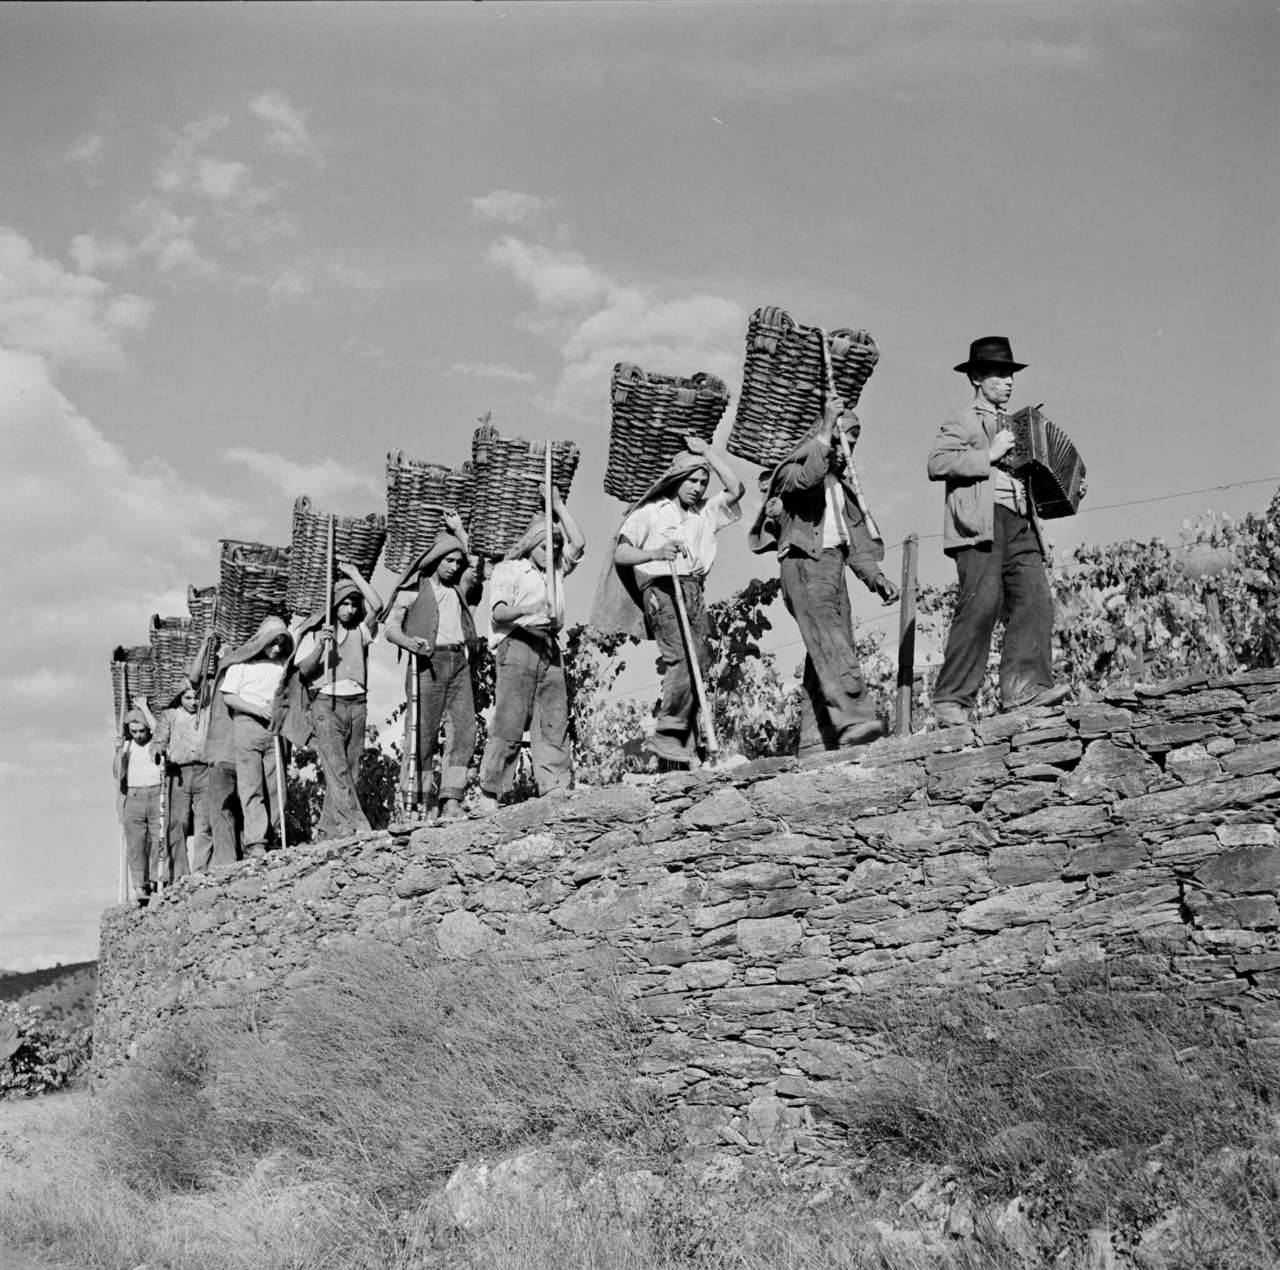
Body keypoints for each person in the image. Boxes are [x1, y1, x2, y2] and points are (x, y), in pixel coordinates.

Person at [926, 336, 1069, 725]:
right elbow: (937, 463)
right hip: (981, 522)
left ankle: (1026, 689)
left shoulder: (1020, 425)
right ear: (975, 377)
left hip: (1021, 521)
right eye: (998, 374)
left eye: (1010, 375)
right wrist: (988, 454)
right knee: (982, 604)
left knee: (1035, 598)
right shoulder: (963, 419)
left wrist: (1065, 488)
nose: (1008, 381)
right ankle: (951, 701)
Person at [749, 396, 899, 754]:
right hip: (803, 564)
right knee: (830, 639)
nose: (846, 451)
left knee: (829, 646)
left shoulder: (844, 491)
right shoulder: (790, 471)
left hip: (833, 569)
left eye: (853, 445)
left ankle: (816, 740)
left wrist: (876, 578)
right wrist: (828, 428)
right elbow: (807, 479)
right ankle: (856, 718)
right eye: (842, 441)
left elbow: (855, 543)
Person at [595, 438, 744, 766]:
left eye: (704, 482)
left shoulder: (704, 512)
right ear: (677, 479)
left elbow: (735, 488)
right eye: (693, 480)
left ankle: (684, 750)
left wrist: (707, 453)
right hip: (661, 588)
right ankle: (667, 733)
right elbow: (622, 552)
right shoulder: (650, 512)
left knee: (699, 662)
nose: (699, 487)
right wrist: (655, 553)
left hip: (692, 589)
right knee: (679, 657)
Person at [476, 490, 585, 813]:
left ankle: (554, 786)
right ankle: (490, 792)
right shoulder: (509, 570)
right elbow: (499, 613)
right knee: (510, 718)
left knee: (552, 717)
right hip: (518, 643)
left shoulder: (555, 571)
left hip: (549, 646)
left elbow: (578, 543)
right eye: (542, 546)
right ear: (529, 546)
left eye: (553, 546)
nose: (549, 552)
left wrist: (559, 506)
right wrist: (532, 606)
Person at [383, 512, 483, 823]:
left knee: (464, 729)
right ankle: (416, 803)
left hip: (458, 662)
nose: (455, 566)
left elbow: (477, 564)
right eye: (449, 561)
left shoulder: (460, 587)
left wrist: (459, 530)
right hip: (427, 662)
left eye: (457, 560)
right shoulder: (413, 589)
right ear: (436, 560)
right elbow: (390, 628)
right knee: (422, 734)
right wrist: (410, 643)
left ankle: (451, 799)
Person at [293, 561, 384, 838]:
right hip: (326, 705)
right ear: (334, 606)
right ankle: (352, 825)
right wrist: (322, 645)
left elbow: (378, 606)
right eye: (344, 604)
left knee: (351, 770)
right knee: (337, 767)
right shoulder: (316, 633)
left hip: (357, 704)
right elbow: (304, 671)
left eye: (354, 604)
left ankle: (326, 830)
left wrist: (355, 574)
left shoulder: (362, 631)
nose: (351, 609)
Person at [218, 616, 294, 858]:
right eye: (273, 643)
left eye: (281, 644)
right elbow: (229, 697)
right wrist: (256, 708)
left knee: (276, 785)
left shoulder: (283, 666)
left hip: (274, 728)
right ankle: (255, 842)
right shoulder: (240, 665)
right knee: (252, 785)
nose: (276, 649)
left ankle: (270, 834)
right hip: (247, 725)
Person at [141, 682, 207, 882]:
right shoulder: (170, 715)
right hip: (178, 773)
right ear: (180, 698)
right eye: (188, 698)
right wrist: (158, 750)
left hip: (204, 771)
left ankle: (201, 870)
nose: (193, 702)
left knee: (205, 821)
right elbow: (158, 739)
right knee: (177, 823)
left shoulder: (207, 714)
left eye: (196, 697)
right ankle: (181, 872)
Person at [188, 632, 241, 868]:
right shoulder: (214, 683)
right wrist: (206, 644)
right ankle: (225, 864)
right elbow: (194, 677)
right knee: (221, 813)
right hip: (221, 755)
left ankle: (244, 860)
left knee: (247, 811)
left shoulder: (245, 675)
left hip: (246, 754)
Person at [114, 697, 164, 905]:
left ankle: (155, 880)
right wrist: (118, 752)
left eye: (141, 731)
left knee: (156, 840)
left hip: (156, 793)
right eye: (134, 731)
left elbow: (160, 732)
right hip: (134, 796)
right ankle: (139, 885)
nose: (138, 735)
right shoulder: (126, 747)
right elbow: (117, 773)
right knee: (136, 843)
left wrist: (144, 708)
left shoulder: (155, 742)